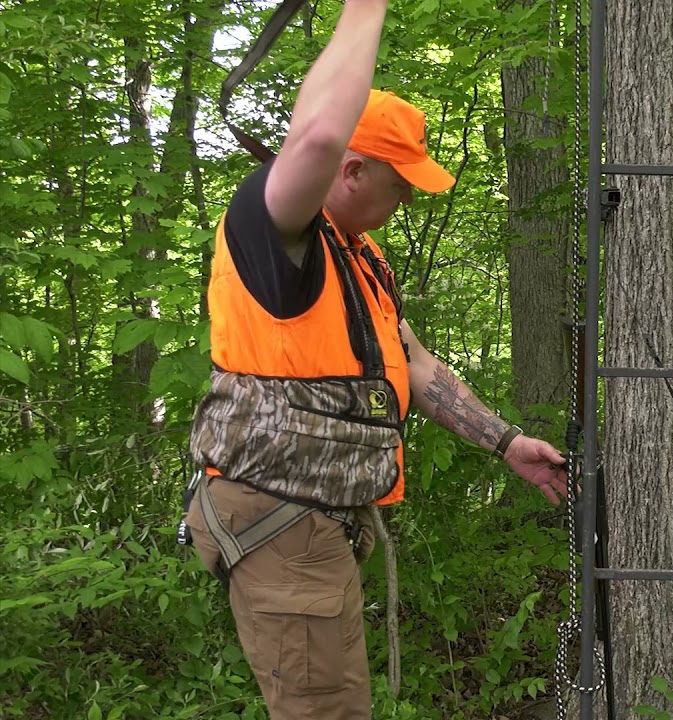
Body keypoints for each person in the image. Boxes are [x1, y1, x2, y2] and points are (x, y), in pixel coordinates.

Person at [181, 0, 569, 717]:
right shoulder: (277, 232)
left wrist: (507, 442)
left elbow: (413, 365)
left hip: (315, 525)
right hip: (283, 524)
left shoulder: (358, 257)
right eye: (401, 185)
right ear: (351, 170)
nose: (406, 201)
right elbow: (322, 129)